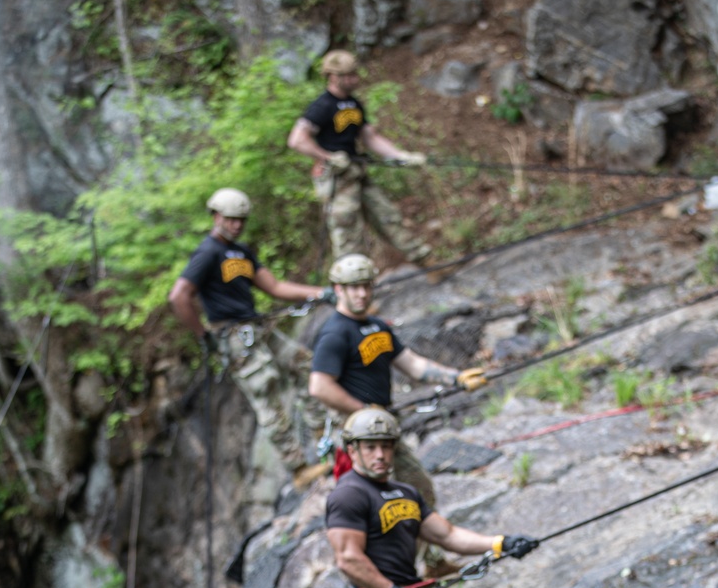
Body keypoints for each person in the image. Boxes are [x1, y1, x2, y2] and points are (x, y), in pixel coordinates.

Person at [325, 407, 536, 588]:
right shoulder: (349, 494)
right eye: (370, 447)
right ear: (352, 450)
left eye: (386, 446)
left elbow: (447, 534)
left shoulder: (406, 493)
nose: (380, 455)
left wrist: (501, 543)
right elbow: (348, 559)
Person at [168, 188, 327, 482]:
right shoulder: (207, 253)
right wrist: (204, 335)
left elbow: (275, 287)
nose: (236, 225)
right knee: (266, 393)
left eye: (241, 219)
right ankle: (299, 470)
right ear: (215, 216)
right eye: (230, 219)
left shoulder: (241, 252)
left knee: (302, 362)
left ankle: (321, 431)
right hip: (233, 336)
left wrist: (321, 293)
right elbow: (179, 296)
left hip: (257, 327)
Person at [309, 252, 486, 504]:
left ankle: (423, 543)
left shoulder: (378, 326)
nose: (361, 294)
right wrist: (365, 410)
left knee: (419, 493)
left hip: (384, 425)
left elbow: (412, 364)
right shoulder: (335, 333)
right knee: (378, 504)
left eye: (366, 286)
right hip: (360, 435)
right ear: (338, 289)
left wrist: (456, 378)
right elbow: (319, 386)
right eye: (354, 288)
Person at [287, 50, 431, 263]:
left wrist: (401, 156)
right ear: (334, 76)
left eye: (355, 74)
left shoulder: (354, 104)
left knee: (388, 216)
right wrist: (327, 156)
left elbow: (370, 137)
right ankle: (352, 285)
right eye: (349, 75)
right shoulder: (322, 106)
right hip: (336, 178)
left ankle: (425, 262)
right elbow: (297, 139)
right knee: (348, 233)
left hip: (356, 172)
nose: (355, 79)